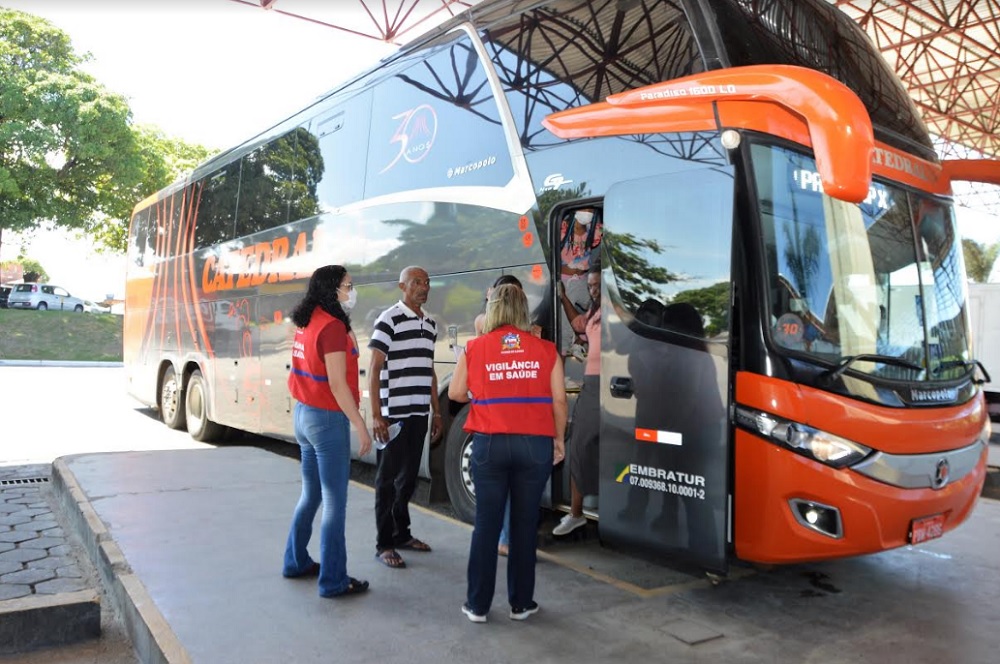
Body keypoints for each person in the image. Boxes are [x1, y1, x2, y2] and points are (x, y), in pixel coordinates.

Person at [449, 283, 567, 623]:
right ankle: (520, 604)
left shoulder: (475, 348)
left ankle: (477, 606)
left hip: (489, 444)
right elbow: (559, 401)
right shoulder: (546, 350)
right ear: (522, 312)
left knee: (486, 526)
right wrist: (558, 440)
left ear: (493, 310)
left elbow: (456, 393)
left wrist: (487, 390)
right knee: (523, 526)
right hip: (534, 445)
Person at [282, 265, 371, 598]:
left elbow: (341, 357)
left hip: (304, 416)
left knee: (312, 494)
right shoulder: (332, 328)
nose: (352, 290)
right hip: (327, 421)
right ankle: (334, 580)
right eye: (348, 285)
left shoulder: (310, 320)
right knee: (335, 503)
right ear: (333, 289)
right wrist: (360, 425)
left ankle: (296, 561)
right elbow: (337, 383)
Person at [368, 265, 442, 569]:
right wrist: (376, 415)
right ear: (402, 287)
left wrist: (437, 410)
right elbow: (374, 369)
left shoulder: (431, 324)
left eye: (426, 282)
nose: (423, 287)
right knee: (386, 480)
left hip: (418, 413)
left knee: (408, 479)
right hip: (393, 415)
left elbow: (429, 369)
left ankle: (402, 534)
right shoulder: (388, 320)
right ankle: (384, 543)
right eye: (416, 282)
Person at [473, 274, 537, 557]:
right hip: (508, 417)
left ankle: (507, 538)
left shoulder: (531, 332)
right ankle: (506, 539)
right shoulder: (486, 325)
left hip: (501, 416)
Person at [552, 260, 602, 536]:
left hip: (608, 385)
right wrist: (563, 298)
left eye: (597, 285)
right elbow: (575, 323)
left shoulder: (615, 314)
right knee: (581, 448)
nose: (593, 290)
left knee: (592, 448)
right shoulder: (595, 314)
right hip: (593, 385)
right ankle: (576, 513)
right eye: (591, 285)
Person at [559, 208, 601, 349]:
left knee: (598, 311)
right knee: (566, 325)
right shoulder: (563, 229)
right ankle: (564, 355)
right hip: (566, 281)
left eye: (590, 210)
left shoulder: (593, 230)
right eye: (585, 209)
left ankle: (583, 338)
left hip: (584, 280)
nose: (588, 213)